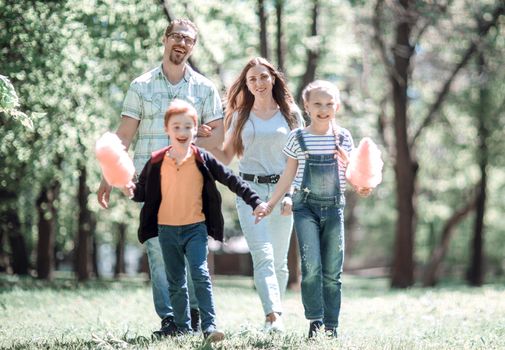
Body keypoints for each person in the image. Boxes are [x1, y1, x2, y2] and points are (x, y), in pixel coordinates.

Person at [96, 18, 224, 336]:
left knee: (194, 253)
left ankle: (193, 316)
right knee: (156, 249)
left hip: (192, 182)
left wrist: (197, 140)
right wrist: (107, 176)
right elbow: (124, 134)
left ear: (193, 47)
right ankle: (169, 319)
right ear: (165, 40)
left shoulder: (205, 89)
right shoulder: (141, 86)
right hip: (151, 182)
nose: (182, 43)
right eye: (177, 37)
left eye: (189, 40)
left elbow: (218, 138)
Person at [123, 99, 269, 341]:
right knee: (176, 281)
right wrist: (129, 188)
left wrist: (255, 201)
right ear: (166, 129)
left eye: (188, 127)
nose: (182, 132)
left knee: (200, 274)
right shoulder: (157, 160)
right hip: (166, 230)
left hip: (195, 228)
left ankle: (210, 326)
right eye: (176, 127)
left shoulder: (202, 158)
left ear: (196, 129)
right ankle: (182, 326)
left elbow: (232, 179)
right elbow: (141, 193)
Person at [263, 80, 372, 338]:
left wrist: (362, 187)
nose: (323, 109)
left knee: (333, 269)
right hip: (305, 209)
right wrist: (271, 203)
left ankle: (331, 325)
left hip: (334, 209)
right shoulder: (297, 137)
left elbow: (351, 172)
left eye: (329, 104)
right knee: (311, 267)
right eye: (317, 104)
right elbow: (288, 175)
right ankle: (316, 320)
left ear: (337, 106)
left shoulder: (343, 137)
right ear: (307, 106)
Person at [208, 57, 304, 332]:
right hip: (250, 192)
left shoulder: (291, 114)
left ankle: (274, 315)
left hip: (282, 190)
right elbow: (226, 156)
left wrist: (290, 194)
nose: (259, 83)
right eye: (252, 79)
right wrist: (201, 140)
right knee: (262, 254)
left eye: (263, 77)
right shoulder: (239, 116)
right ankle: (273, 315)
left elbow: (300, 158)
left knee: (279, 261)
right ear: (246, 85)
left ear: (273, 78)